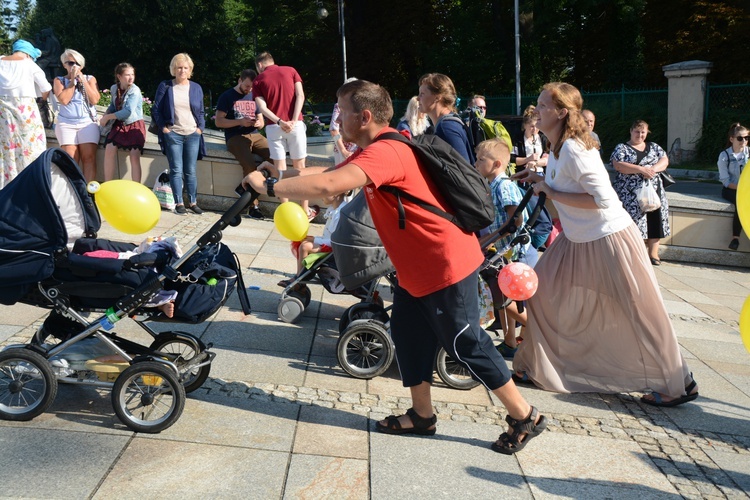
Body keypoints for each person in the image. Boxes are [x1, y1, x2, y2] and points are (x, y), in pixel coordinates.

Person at [244, 79, 547, 455]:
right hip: (415, 268)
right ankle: (422, 416)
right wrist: (278, 172)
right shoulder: (378, 147)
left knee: (465, 341)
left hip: (444, 264)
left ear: (364, 116)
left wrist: (270, 189)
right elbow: (326, 172)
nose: (337, 121)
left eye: (342, 112)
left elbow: (330, 186)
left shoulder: (386, 152)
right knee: (407, 335)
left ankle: (525, 415)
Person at [511, 82, 698, 407]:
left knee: (640, 312)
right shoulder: (555, 147)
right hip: (576, 239)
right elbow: (561, 184)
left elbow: (603, 200)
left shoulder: (573, 149)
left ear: (561, 112)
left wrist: (551, 192)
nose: (536, 110)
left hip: (610, 239)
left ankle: (678, 382)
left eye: (542, 105)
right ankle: (534, 364)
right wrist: (540, 181)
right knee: (538, 295)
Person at [475, 138, 538, 359]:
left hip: (514, 254)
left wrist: (489, 239)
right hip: (503, 253)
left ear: (496, 164)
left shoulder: (504, 185)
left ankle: (539, 334)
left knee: (503, 298)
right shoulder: (491, 185)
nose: (475, 163)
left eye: (480, 159)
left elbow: (515, 221)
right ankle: (509, 340)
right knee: (503, 296)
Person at [252, 51, 318, 221]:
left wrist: (280, 121)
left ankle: (286, 210)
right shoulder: (291, 71)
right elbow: (300, 96)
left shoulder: (258, 80)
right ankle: (304, 210)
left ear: (260, 65)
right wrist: (293, 120)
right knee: (300, 168)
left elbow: (263, 108)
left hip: (274, 127)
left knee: (279, 169)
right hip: (295, 125)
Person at [152, 53, 206, 215]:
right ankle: (179, 203)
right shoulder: (166, 86)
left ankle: (193, 202)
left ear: (190, 70)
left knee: (190, 170)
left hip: (192, 133)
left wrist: (200, 128)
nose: (182, 71)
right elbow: (156, 109)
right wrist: (164, 129)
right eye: (179, 68)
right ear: (173, 69)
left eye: (185, 68)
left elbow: (201, 111)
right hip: (173, 133)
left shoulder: (196, 87)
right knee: (176, 170)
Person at [610, 120, 670, 265]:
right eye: (637, 131)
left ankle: (653, 254)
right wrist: (641, 169)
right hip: (630, 193)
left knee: (655, 220)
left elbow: (665, 160)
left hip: (653, 191)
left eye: (643, 132)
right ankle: (635, 253)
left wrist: (652, 170)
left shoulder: (654, 147)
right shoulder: (622, 148)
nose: (640, 135)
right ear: (631, 131)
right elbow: (618, 165)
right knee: (634, 223)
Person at [215, 69, 271, 219]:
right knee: (249, 164)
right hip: (236, 136)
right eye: (246, 86)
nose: (249, 89)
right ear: (240, 80)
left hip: (255, 134)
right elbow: (218, 121)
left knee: (275, 157)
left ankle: (243, 186)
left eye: (252, 87)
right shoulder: (227, 96)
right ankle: (253, 206)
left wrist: (260, 123)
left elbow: (262, 121)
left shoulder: (254, 95)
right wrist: (240, 122)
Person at [0, 39, 51, 188]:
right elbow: (45, 88)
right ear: (29, 54)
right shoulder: (30, 65)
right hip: (25, 109)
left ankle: (6, 185)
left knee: (6, 147)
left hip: (3, 111)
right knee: (30, 146)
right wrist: (43, 100)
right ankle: (31, 184)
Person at [277, 191, 352, 288]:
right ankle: (300, 277)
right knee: (303, 242)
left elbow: (334, 240)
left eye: (324, 192)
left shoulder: (340, 213)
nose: (321, 195)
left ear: (335, 194)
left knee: (305, 246)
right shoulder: (334, 209)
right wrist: (314, 239)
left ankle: (299, 279)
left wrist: (315, 239)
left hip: (335, 249)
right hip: (331, 244)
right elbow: (328, 236)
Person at [53, 49, 100, 182]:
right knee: (70, 159)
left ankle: (87, 193)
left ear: (82, 65)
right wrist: (73, 81)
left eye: (77, 63)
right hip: (66, 123)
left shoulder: (90, 79)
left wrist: (82, 81)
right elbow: (64, 100)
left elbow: (95, 99)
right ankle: (74, 191)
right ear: (64, 65)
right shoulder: (59, 80)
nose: (74, 66)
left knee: (89, 157)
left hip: (87, 122)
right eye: (70, 63)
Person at [99, 63, 146, 182]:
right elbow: (113, 105)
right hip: (119, 124)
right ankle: (107, 184)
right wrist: (105, 115)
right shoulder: (114, 88)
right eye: (127, 75)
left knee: (134, 155)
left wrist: (108, 117)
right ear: (119, 76)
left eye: (132, 74)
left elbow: (128, 112)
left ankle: (136, 187)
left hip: (134, 124)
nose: (131, 78)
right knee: (109, 149)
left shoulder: (135, 91)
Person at [418, 73, 475, 164]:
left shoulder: (447, 127)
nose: (418, 98)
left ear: (437, 97)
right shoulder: (448, 123)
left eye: (422, 94)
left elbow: (464, 169)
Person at [717, 123, 749, 251]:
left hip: (747, 190)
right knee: (740, 203)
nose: (744, 141)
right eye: (740, 138)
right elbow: (725, 180)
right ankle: (735, 238)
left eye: (747, 138)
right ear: (732, 139)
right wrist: (742, 190)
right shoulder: (724, 156)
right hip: (731, 189)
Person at [511, 105, 548, 175]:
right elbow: (512, 159)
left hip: (540, 174)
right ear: (525, 125)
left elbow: (547, 158)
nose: (535, 129)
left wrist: (535, 163)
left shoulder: (543, 139)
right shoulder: (518, 139)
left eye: (537, 126)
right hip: (524, 174)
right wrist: (528, 159)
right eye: (532, 126)